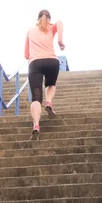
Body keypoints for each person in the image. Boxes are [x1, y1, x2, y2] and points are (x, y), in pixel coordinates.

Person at [24, 9, 65, 139]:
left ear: (38, 19)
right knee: (51, 84)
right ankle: (48, 101)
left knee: (36, 97)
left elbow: (26, 55)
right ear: (49, 18)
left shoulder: (30, 31)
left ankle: (36, 125)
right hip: (52, 61)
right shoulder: (51, 27)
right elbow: (60, 23)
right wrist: (59, 40)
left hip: (35, 64)